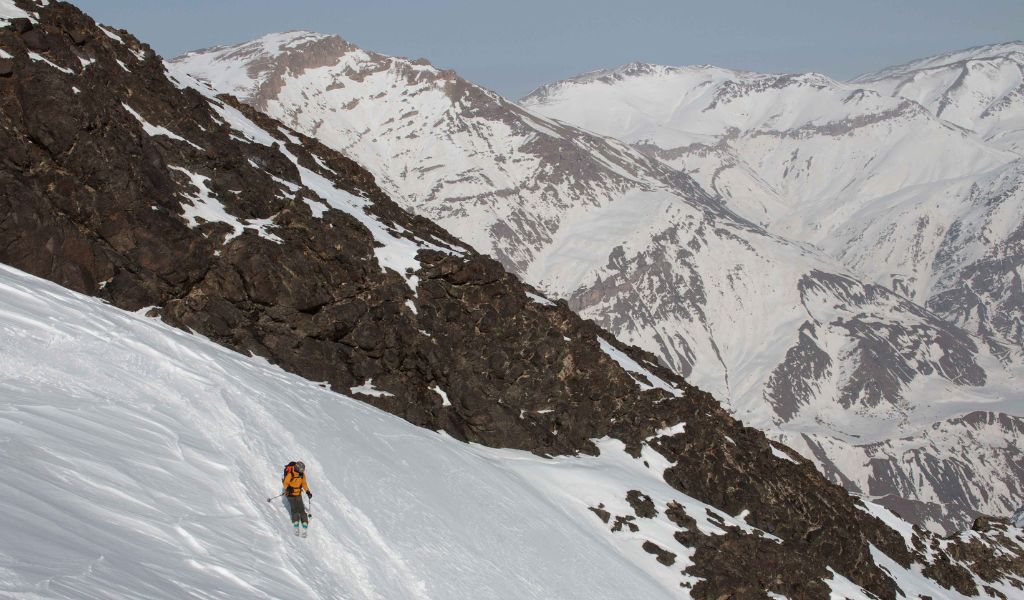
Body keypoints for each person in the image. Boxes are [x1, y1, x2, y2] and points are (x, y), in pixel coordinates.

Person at [283, 461, 313, 536]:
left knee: (301, 509)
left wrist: (307, 491)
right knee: (294, 509)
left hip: (298, 493)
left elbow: (304, 483)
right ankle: (296, 526)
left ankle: (305, 524)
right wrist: (288, 488)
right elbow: (285, 483)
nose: (302, 471)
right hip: (290, 494)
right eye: (301, 470)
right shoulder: (291, 474)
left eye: (303, 470)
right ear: (297, 468)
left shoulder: (302, 475)